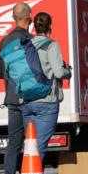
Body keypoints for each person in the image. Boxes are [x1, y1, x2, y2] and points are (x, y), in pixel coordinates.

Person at [0, 2, 32, 174]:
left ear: (13, 17)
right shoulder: (31, 40)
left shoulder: (5, 41)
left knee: (13, 144)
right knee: (33, 142)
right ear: (30, 17)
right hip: (31, 98)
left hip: (12, 98)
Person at [22, 12, 71, 162]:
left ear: (34, 27)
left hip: (27, 101)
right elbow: (58, 71)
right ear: (50, 26)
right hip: (47, 100)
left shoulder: (26, 45)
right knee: (40, 146)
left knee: (30, 145)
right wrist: (67, 71)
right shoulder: (51, 45)